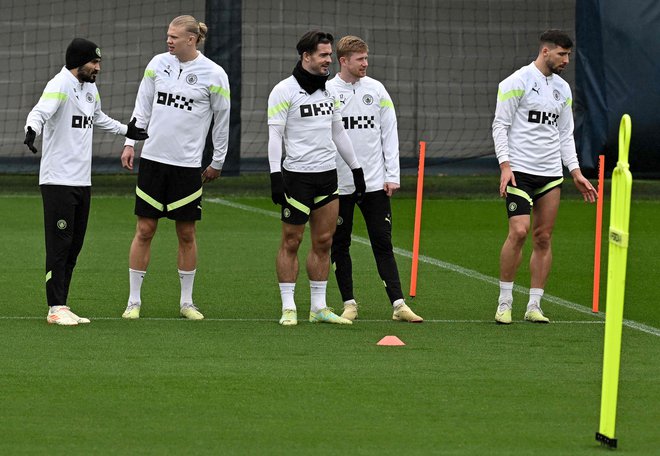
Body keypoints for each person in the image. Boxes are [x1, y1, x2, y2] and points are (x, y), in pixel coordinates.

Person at [24, 38, 149, 326]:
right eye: (94, 62)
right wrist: (32, 130)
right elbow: (40, 111)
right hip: (57, 181)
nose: (98, 67)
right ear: (78, 62)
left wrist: (126, 131)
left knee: (74, 246)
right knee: (59, 245)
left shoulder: (89, 88)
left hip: (82, 181)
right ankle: (54, 307)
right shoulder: (59, 85)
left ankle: (63, 304)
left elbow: (98, 117)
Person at [120, 15, 230, 320]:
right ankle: (133, 302)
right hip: (153, 162)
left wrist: (218, 160)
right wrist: (130, 142)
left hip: (186, 166)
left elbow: (222, 121)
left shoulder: (215, 74)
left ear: (191, 40)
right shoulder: (157, 64)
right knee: (145, 229)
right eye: (168, 35)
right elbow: (142, 106)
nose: (169, 40)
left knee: (186, 232)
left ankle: (186, 303)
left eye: (174, 36)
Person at [492, 29, 597, 324]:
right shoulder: (516, 82)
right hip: (519, 173)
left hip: (551, 174)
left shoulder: (563, 89)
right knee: (520, 232)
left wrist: (574, 172)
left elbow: (565, 134)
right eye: (561, 54)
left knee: (543, 237)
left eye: (568, 55)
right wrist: (505, 165)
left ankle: (534, 305)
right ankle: (505, 302)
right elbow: (500, 125)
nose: (566, 60)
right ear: (545, 51)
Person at [267, 30, 366, 326]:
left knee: (324, 241)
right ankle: (288, 307)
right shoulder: (283, 90)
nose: (328, 60)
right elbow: (275, 135)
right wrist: (274, 174)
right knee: (292, 240)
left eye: (329, 55)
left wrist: (357, 168)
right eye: (323, 55)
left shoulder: (330, 91)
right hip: (296, 178)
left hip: (327, 177)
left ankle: (319, 307)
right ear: (306, 56)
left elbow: (338, 132)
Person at [327, 36, 422, 323]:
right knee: (339, 244)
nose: (365, 63)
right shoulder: (328, 91)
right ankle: (349, 304)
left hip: (374, 183)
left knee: (383, 242)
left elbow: (389, 134)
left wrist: (392, 175)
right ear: (343, 61)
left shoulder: (377, 90)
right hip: (339, 184)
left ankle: (399, 304)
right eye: (360, 59)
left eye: (366, 58)